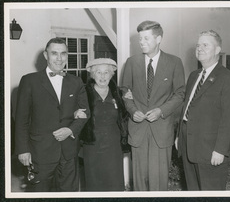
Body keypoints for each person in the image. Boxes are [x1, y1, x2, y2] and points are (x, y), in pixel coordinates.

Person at [15, 38, 90, 192]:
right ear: (45, 55)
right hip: (39, 153)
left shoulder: (76, 82)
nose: (59, 58)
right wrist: (22, 149)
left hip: (68, 153)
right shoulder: (29, 81)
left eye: (63, 54)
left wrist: (70, 130)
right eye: (54, 53)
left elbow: (85, 112)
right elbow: (21, 120)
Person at [121, 20, 185, 191]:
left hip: (161, 130)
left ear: (158, 39)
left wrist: (161, 111)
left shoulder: (174, 62)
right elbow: (125, 92)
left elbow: (180, 94)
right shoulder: (131, 62)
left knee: (159, 181)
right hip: (138, 129)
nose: (141, 42)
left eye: (146, 38)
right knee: (139, 181)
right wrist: (132, 110)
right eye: (140, 39)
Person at [176, 30, 230, 190]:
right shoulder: (193, 76)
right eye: (198, 45)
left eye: (205, 45)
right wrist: (180, 136)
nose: (200, 48)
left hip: (211, 150)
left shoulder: (228, 78)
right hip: (188, 146)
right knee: (193, 191)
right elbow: (188, 108)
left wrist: (220, 150)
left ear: (218, 50)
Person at [75, 58, 130, 191]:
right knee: (94, 184)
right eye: (98, 72)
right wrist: (74, 112)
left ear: (111, 75)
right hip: (92, 146)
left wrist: (130, 99)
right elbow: (69, 110)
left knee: (115, 183)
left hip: (113, 147)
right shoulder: (83, 93)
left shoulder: (118, 94)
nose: (103, 76)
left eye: (106, 72)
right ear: (92, 75)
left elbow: (126, 116)